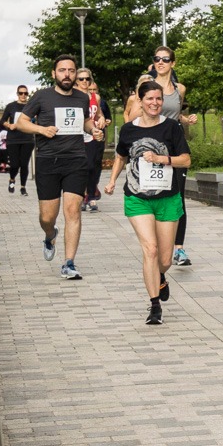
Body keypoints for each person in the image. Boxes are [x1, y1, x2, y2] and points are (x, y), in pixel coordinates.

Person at [104, 80, 190, 325]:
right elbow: (121, 156)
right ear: (139, 101)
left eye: (158, 98)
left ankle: (160, 276)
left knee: (165, 259)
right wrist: (112, 180)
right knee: (150, 249)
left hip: (167, 198)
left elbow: (186, 160)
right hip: (137, 197)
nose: (155, 103)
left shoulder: (172, 127)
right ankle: (154, 306)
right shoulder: (128, 130)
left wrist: (162, 159)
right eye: (150, 99)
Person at [13, 54, 105, 279]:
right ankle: (49, 234)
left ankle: (69, 263)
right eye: (62, 70)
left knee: (73, 211)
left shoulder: (82, 98)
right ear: (54, 73)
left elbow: (84, 121)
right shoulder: (42, 96)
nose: (67, 75)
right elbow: (21, 123)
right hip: (48, 161)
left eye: (71, 71)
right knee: (47, 217)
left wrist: (92, 129)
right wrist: (41, 130)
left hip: (76, 160)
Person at [127, 47, 198, 266]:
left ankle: (179, 248)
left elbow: (175, 113)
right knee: (154, 193)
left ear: (172, 63)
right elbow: (132, 117)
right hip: (151, 146)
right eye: (157, 58)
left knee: (178, 197)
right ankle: (155, 241)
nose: (161, 62)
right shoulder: (147, 86)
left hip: (173, 146)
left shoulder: (180, 88)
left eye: (165, 59)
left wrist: (186, 119)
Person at [76, 69, 112, 212]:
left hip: (92, 135)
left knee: (92, 166)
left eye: (87, 79)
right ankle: (81, 196)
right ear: (76, 81)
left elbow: (98, 113)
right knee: (81, 167)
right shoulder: (73, 96)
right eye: (81, 79)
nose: (85, 81)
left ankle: (91, 196)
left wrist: (102, 118)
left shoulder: (95, 97)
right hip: (77, 136)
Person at [2, 84, 33, 195]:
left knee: (24, 164)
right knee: (14, 165)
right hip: (13, 139)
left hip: (27, 139)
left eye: (25, 93)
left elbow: (36, 119)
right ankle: (12, 180)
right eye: (21, 93)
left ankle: (23, 187)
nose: (23, 95)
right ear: (17, 94)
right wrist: (9, 125)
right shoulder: (11, 106)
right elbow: (2, 120)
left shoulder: (31, 106)